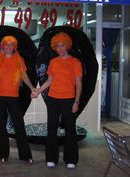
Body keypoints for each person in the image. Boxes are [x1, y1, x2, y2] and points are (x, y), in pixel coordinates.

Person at [32, 32, 83, 169]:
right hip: (53, 99)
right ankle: (51, 158)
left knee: (70, 130)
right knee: (51, 129)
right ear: (55, 47)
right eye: (58, 46)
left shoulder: (75, 62)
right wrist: (38, 90)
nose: (60, 49)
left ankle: (71, 159)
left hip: (69, 100)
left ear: (67, 46)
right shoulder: (53, 62)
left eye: (62, 46)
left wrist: (76, 102)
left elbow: (78, 84)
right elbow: (49, 81)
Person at [0, 35, 35, 164]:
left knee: (19, 125)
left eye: (11, 45)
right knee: (1, 126)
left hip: (13, 97)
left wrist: (33, 88)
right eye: (6, 45)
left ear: (14, 47)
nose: (8, 47)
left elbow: (25, 77)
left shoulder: (19, 59)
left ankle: (25, 155)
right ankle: (3, 154)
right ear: (3, 46)